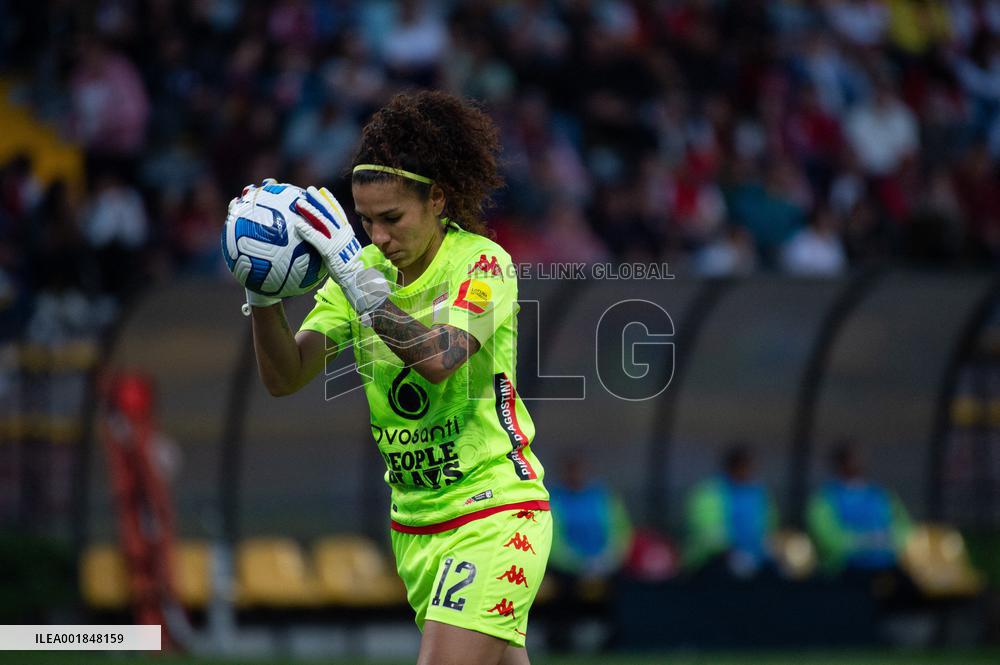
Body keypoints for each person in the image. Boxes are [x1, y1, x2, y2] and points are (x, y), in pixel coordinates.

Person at [230, 91, 550, 665]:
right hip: (415, 526)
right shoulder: (364, 273)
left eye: (392, 218)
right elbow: (286, 375)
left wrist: (355, 277)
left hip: (495, 511)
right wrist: (263, 293)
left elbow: (437, 358)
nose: (377, 237)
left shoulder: (481, 263)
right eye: (366, 221)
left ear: (437, 199)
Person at [547, 457, 632, 652]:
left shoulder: (603, 497)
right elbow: (553, 540)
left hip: (604, 564)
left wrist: (605, 560)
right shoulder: (554, 498)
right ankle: (562, 640)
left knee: (621, 588)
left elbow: (620, 532)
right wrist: (579, 564)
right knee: (563, 589)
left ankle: (613, 641)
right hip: (567, 567)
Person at [807, 440, 912, 577]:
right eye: (852, 458)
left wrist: (889, 541)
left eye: (859, 457)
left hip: (887, 572)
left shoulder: (881, 496)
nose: (857, 462)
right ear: (840, 463)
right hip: (844, 576)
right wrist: (863, 542)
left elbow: (906, 531)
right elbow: (829, 540)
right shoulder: (825, 499)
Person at [683, 444, 778, 577]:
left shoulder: (759, 493)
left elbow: (767, 530)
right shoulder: (710, 492)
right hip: (712, 562)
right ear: (734, 466)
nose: (749, 471)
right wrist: (732, 554)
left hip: (755, 560)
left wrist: (765, 552)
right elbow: (709, 534)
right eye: (745, 466)